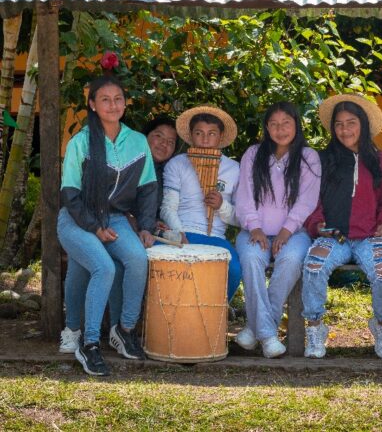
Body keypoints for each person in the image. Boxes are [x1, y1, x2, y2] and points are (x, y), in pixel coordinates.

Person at [57, 76, 158, 376]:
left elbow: (148, 188)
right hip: (77, 219)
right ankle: (88, 344)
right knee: (104, 267)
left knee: (138, 259)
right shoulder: (80, 142)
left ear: (125, 103)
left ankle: (123, 329)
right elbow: (70, 195)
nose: (112, 105)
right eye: (105, 99)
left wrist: (146, 227)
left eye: (118, 99)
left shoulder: (138, 141)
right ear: (92, 104)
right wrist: (94, 227)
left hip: (114, 218)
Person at [59, 115, 178, 355]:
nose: (164, 144)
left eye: (171, 141)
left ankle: (121, 330)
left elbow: (149, 201)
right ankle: (77, 333)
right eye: (158, 136)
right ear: (146, 137)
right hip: (86, 218)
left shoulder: (167, 171)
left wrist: (148, 225)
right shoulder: (96, 145)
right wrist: (102, 225)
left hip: (118, 224)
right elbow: (76, 192)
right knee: (91, 264)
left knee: (127, 263)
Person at [301, 94, 382, 359]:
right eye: (339, 124)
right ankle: (316, 327)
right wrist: (316, 223)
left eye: (351, 123)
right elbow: (311, 199)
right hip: (334, 235)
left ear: (363, 125)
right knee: (313, 266)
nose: (345, 130)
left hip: (369, 236)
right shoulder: (320, 161)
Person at [235, 102, 321, 358]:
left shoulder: (309, 157)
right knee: (251, 259)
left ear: (296, 125)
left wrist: (286, 230)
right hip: (254, 231)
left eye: (286, 123)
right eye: (273, 123)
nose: (280, 129)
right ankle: (269, 335)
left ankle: (256, 329)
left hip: (294, 234)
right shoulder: (253, 154)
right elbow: (244, 197)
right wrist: (255, 227)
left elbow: (307, 200)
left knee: (292, 259)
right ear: (266, 127)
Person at [160, 105, 242, 302]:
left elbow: (240, 218)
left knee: (235, 270)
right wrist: (179, 233)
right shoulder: (177, 164)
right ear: (191, 136)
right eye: (199, 133)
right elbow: (167, 208)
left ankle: (216, 316)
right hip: (179, 233)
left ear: (221, 137)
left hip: (215, 237)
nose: (205, 139)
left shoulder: (235, 169)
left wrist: (222, 205)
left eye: (211, 133)